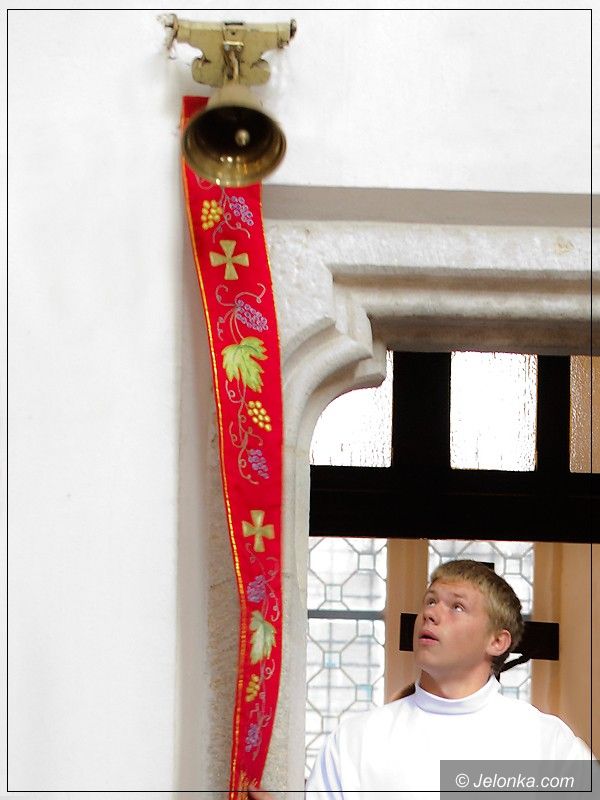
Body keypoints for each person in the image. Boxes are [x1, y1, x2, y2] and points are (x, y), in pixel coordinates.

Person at [249, 559, 594, 799]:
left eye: (456, 606)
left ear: (497, 641)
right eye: (430, 601)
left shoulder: (545, 743)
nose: (430, 613)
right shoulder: (357, 740)